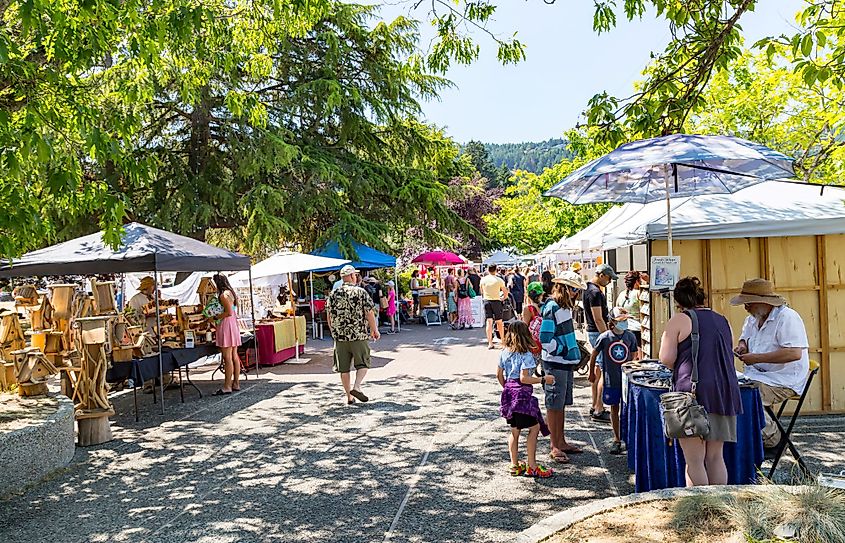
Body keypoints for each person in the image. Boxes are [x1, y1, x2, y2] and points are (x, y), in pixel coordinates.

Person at [660, 277, 742, 487]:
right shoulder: (723, 320)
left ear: (679, 302)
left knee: (694, 460)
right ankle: (719, 506)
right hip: (724, 390)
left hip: (692, 394)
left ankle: (699, 508)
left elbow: (666, 359)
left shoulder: (679, 320)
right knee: (716, 456)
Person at [730, 278, 809, 451]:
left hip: (783, 379)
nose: (746, 307)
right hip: (757, 373)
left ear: (762, 302)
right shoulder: (753, 318)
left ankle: (773, 439)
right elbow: (745, 337)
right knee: (731, 388)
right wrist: (742, 346)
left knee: (746, 396)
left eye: (748, 303)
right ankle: (752, 440)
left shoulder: (787, 317)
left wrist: (757, 358)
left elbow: (794, 353)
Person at [539, 271, 586, 464]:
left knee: (561, 404)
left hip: (564, 363)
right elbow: (544, 338)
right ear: (565, 288)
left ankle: (561, 441)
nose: (576, 293)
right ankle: (555, 445)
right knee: (554, 405)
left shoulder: (562, 307)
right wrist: (563, 350)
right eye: (574, 289)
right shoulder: (552, 307)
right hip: (556, 362)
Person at [497, 320, 555, 478]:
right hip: (522, 396)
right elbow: (524, 378)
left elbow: (499, 375)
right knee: (534, 428)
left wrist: (507, 388)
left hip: (509, 394)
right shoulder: (526, 354)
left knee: (514, 431)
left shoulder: (504, 352)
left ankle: (514, 465)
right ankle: (532, 465)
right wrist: (543, 379)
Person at [326, 265, 380, 404]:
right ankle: (357, 386)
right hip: (358, 335)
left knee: (343, 369)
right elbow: (369, 312)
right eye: (355, 275)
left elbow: (329, 315)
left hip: (340, 337)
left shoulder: (334, 293)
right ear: (351, 276)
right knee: (363, 363)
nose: (356, 277)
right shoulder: (360, 292)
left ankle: (349, 397)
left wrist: (333, 331)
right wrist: (374, 330)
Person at [589, 307, 638, 454]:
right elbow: (594, 354)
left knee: (627, 409)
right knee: (614, 409)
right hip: (611, 380)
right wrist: (591, 372)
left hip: (626, 380)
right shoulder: (604, 337)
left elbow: (634, 356)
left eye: (625, 320)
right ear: (613, 322)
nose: (624, 323)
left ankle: (628, 438)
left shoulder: (630, 337)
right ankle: (617, 438)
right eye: (621, 321)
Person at [585, 263, 617, 423]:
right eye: (609, 278)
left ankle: (595, 404)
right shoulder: (595, 292)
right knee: (605, 370)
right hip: (598, 332)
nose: (610, 281)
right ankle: (599, 408)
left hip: (593, 331)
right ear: (602, 275)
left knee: (598, 370)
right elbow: (598, 318)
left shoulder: (588, 289)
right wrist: (608, 336)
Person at [212, 273, 242, 395]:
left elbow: (228, 312)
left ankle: (227, 386)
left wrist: (216, 316)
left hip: (226, 325)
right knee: (234, 356)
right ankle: (236, 383)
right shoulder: (231, 293)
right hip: (233, 325)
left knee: (227, 357)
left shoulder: (223, 295)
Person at [615, 271, 643, 359]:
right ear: (637, 281)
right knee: (638, 356)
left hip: (624, 328)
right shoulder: (639, 293)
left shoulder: (621, 294)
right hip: (637, 328)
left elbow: (617, 310)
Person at [481, 265, 509, 349]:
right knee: (499, 322)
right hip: (496, 301)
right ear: (496, 270)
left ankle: (490, 343)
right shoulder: (499, 280)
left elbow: (481, 290)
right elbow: (505, 292)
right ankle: (503, 342)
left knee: (489, 322)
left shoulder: (483, 280)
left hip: (486, 301)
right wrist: (503, 298)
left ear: (488, 270)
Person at [522, 281, 545, 360]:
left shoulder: (528, 309)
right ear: (541, 294)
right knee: (545, 370)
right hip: (546, 344)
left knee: (530, 369)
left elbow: (524, 326)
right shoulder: (546, 306)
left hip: (534, 344)